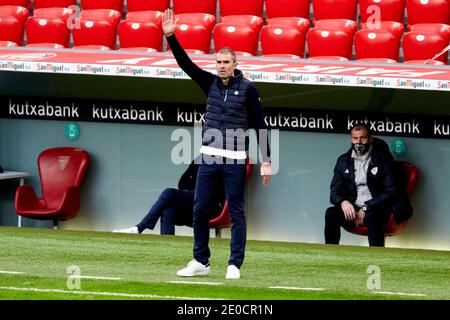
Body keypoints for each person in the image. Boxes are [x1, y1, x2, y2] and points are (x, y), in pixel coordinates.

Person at [162, 9, 272, 279]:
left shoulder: (248, 89)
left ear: (235, 64)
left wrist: (267, 160)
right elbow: (186, 64)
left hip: (234, 159)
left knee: (236, 212)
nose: (222, 65)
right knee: (199, 209)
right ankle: (201, 260)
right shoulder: (209, 83)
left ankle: (234, 264)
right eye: (219, 61)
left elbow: (260, 125)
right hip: (208, 158)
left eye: (226, 61)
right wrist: (171, 37)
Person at [324, 123, 399, 247]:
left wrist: (366, 207)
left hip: (377, 208)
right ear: (351, 139)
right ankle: (330, 254)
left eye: (363, 138)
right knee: (331, 213)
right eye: (355, 138)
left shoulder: (383, 159)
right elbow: (334, 191)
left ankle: (377, 257)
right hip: (353, 209)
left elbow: (391, 191)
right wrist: (343, 202)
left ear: (370, 139)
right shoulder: (343, 161)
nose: (359, 142)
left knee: (371, 215)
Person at [113, 160, 224, 235]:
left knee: (169, 193)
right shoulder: (200, 158)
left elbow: (216, 190)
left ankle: (139, 227)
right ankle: (167, 246)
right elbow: (183, 182)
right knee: (168, 208)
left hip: (211, 207)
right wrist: (194, 190)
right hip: (195, 203)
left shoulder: (224, 161)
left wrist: (196, 189)